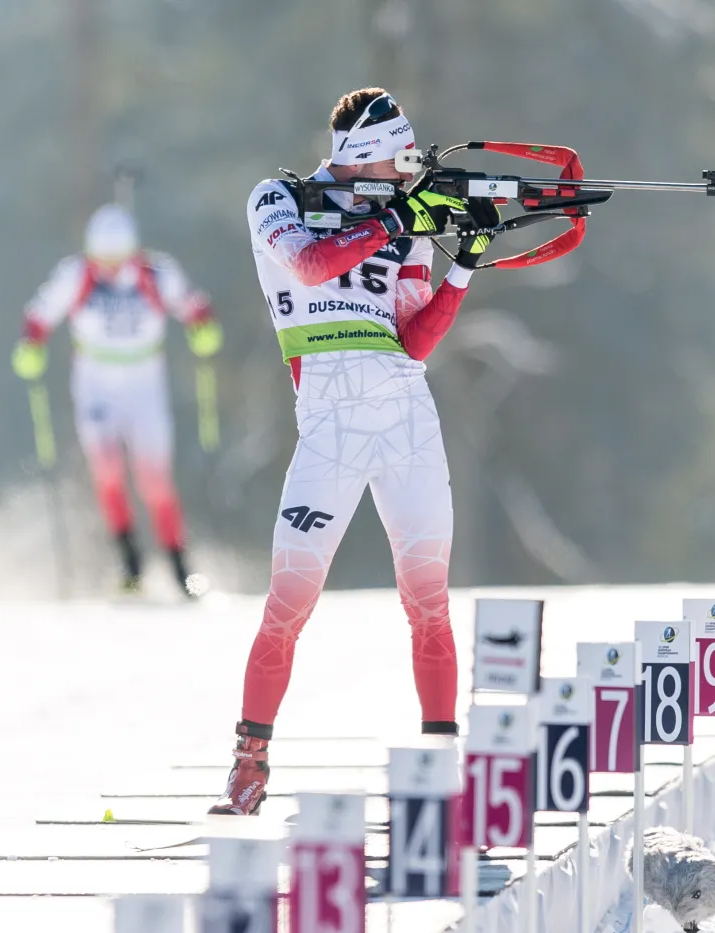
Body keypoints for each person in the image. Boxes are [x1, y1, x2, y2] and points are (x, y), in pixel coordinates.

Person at [209, 87, 502, 815]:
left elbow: (415, 342)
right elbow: (308, 265)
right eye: (399, 167)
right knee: (288, 603)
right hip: (330, 422)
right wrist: (399, 216)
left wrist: (463, 265)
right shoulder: (278, 196)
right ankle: (249, 766)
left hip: (406, 411)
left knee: (429, 601)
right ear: (367, 159)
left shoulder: (398, 224)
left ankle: (441, 774)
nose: (408, 179)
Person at [11, 204, 221, 595]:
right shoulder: (75, 274)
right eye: (102, 259)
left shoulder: (157, 273)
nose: (108, 267)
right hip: (96, 385)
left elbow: (192, 304)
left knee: (155, 480)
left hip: (144, 386)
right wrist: (32, 346)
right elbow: (40, 313)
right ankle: (130, 563)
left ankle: (179, 567)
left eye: (117, 259)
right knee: (107, 470)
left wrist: (202, 328)